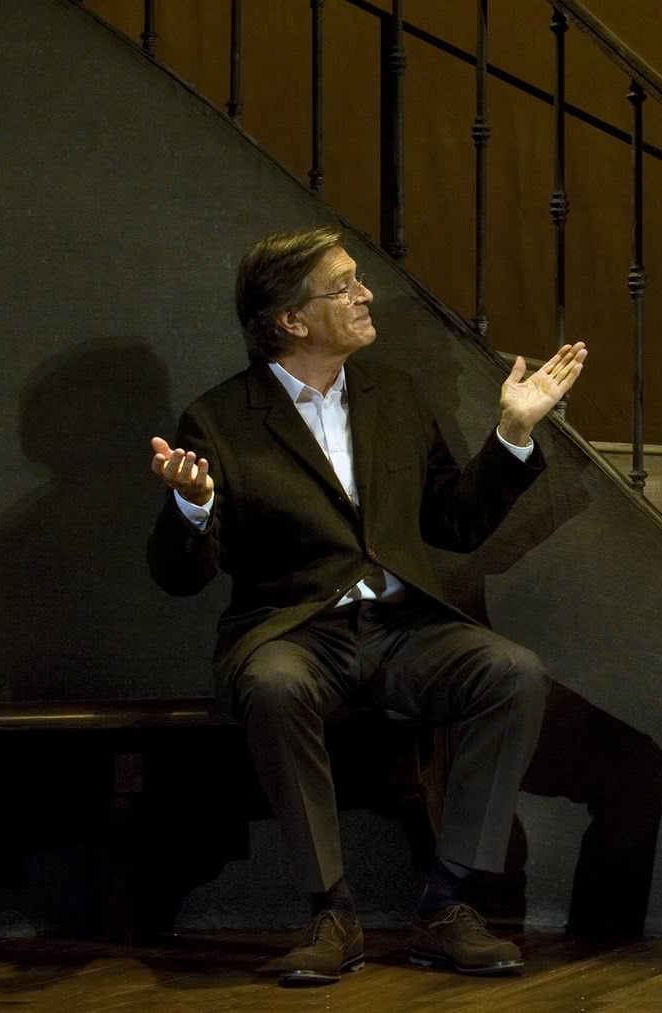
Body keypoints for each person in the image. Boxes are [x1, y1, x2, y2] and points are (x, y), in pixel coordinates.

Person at [147, 225, 586, 984]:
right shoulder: (218, 419)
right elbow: (178, 577)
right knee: (274, 685)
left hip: (402, 629)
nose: (365, 294)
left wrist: (513, 432)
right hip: (293, 631)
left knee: (514, 673)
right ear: (291, 319)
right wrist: (194, 505)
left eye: (359, 280)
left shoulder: (396, 395)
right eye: (344, 285)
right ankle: (332, 912)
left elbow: (453, 524)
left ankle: (446, 904)